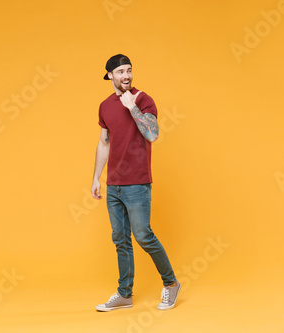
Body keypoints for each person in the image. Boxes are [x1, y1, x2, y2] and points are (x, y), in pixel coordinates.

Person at [91, 54, 181, 312]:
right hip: (113, 184)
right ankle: (124, 294)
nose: (126, 76)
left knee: (143, 235)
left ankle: (171, 283)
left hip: (137, 183)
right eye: (120, 72)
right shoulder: (105, 106)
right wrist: (96, 177)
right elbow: (103, 142)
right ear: (109, 75)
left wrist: (132, 106)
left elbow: (152, 134)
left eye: (129, 70)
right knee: (120, 239)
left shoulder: (142, 99)